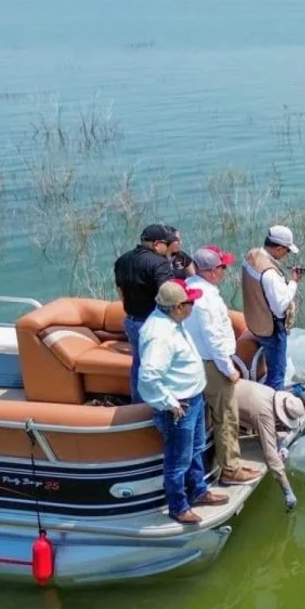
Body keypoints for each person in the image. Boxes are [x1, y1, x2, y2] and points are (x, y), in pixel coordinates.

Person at [138, 279, 228, 524]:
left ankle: (198, 491)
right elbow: (149, 375)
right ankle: (178, 507)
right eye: (191, 303)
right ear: (178, 307)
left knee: (195, 449)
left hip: (192, 398)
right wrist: (169, 402)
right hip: (180, 406)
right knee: (178, 460)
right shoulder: (160, 335)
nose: (193, 306)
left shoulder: (172, 322)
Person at [184, 245, 256, 485]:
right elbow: (213, 338)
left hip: (195, 361)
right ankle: (231, 469)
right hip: (212, 364)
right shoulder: (206, 299)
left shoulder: (189, 288)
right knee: (226, 417)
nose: (225, 271)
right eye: (223, 267)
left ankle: (218, 466)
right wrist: (228, 369)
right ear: (213, 270)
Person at [114, 224, 176, 402]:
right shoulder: (159, 263)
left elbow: (120, 290)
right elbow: (168, 295)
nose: (168, 248)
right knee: (162, 367)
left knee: (139, 365)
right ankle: (162, 407)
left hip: (132, 321)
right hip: (154, 324)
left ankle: (138, 406)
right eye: (167, 244)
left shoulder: (122, 260)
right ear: (157, 244)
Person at [242, 225, 304, 392]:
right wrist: (293, 282)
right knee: (277, 373)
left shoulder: (251, 255)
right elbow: (280, 306)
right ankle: (273, 402)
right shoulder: (270, 273)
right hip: (272, 329)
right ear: (279, 248)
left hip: (253, 321)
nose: (287, 254)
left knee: (272, 367)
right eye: (287, 250)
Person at [234, 378, 305, 511]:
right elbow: (271, 456)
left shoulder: (270, 393)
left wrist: (281, 445)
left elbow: (275, 424)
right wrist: (287, 490)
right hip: (218, 399)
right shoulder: (264, 415)